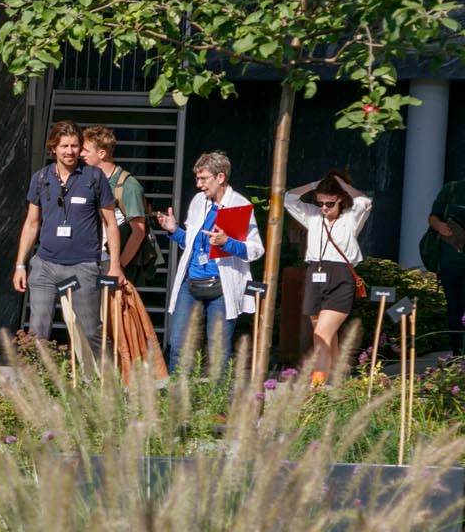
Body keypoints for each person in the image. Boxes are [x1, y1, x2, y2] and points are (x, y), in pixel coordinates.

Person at [14, 120, 120, 363]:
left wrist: (114, 265)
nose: (70, 151)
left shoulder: (94, 177)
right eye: (64, 146)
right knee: (37, 331)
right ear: (53, 148)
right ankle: (38, 386)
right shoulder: (40, 178)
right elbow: (32, 223)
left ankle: (110, 385)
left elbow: (110, 223)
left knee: (91, 330)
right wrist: (21, 264)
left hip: (83, 265)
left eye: (74, 145)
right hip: (45, 265)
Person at [157, 150, 265, 376]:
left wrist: (227, 243)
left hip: (221, 288)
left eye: (203, 179)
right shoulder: (199, 202)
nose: (199, 185)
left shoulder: (240, 205)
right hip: (192, 283)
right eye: (197, 179)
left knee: (218, 352)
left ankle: (218, 409)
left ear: (220, 177)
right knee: (178, 346)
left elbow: (256, 250)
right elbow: (193, 244)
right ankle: (177, 402)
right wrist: (174, 230)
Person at [284, 172, 372, 383]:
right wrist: (314, 183)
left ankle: (317, 385)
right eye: (321, 202)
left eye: (330, 203)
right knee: (325, 335)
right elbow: (289, 198)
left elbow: (364, 201)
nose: (324, 208)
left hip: (341, 275)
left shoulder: (351, 217)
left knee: (321, 334)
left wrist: (342, 184)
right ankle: (334, 380)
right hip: (315, 272)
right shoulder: (313, 215)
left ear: (341, 199)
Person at [80, 125, 150, 280]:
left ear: (102, 153)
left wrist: (118, 267)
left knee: (109, 305)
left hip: (110, 263)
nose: (80, 154)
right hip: (87, 260)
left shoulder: (127, 185)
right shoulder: (86, 180)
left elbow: (138, 232)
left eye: (86, 150)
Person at [420, 178, 465, 355]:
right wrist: (440, 226)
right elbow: (433, 217)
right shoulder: (452, 189)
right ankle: (457, 353)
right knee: (454, 308)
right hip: (451, 261)